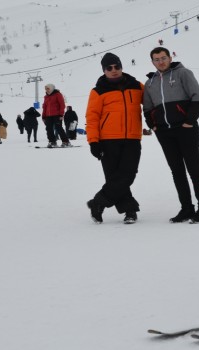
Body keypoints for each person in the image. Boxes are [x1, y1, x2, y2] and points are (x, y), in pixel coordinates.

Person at [142, 46, 199, 223]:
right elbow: (147, 108)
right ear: (152, 62)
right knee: (177, 171)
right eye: (156, 59)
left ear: (170, 58)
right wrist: (153, 126)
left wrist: (189, 121)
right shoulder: (150, 83)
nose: (161, 62)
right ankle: (186, 208)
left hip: (186, 129)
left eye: (163, 58)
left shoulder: (183, 73)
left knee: (194, 169)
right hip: (164, 133)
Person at [85, 52, 143, 224]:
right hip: (108, 140)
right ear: (104, 71)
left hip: (132, 138)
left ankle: (98, 202)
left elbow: (152, 100)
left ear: (121, 67)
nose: (114, 70)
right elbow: (92, 117)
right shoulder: (98, 91)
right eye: (109, 68)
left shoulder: (136, 85)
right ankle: (130, 210)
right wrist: (93, 141)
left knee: (128, 174)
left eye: (117, 66)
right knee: (114, 177)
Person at [42, 83, 72, 148]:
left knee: (58, 128)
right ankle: (52, 142)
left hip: (57, 115)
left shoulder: (58, 94)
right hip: (48, 116)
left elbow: (62, 105)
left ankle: (66, 142)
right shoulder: (46, 97)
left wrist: (61, 114)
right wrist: (43, 116)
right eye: (46, 89)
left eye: (48, 89)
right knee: (48, 129)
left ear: (52, 88)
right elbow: (44, 107)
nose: (47, 90)